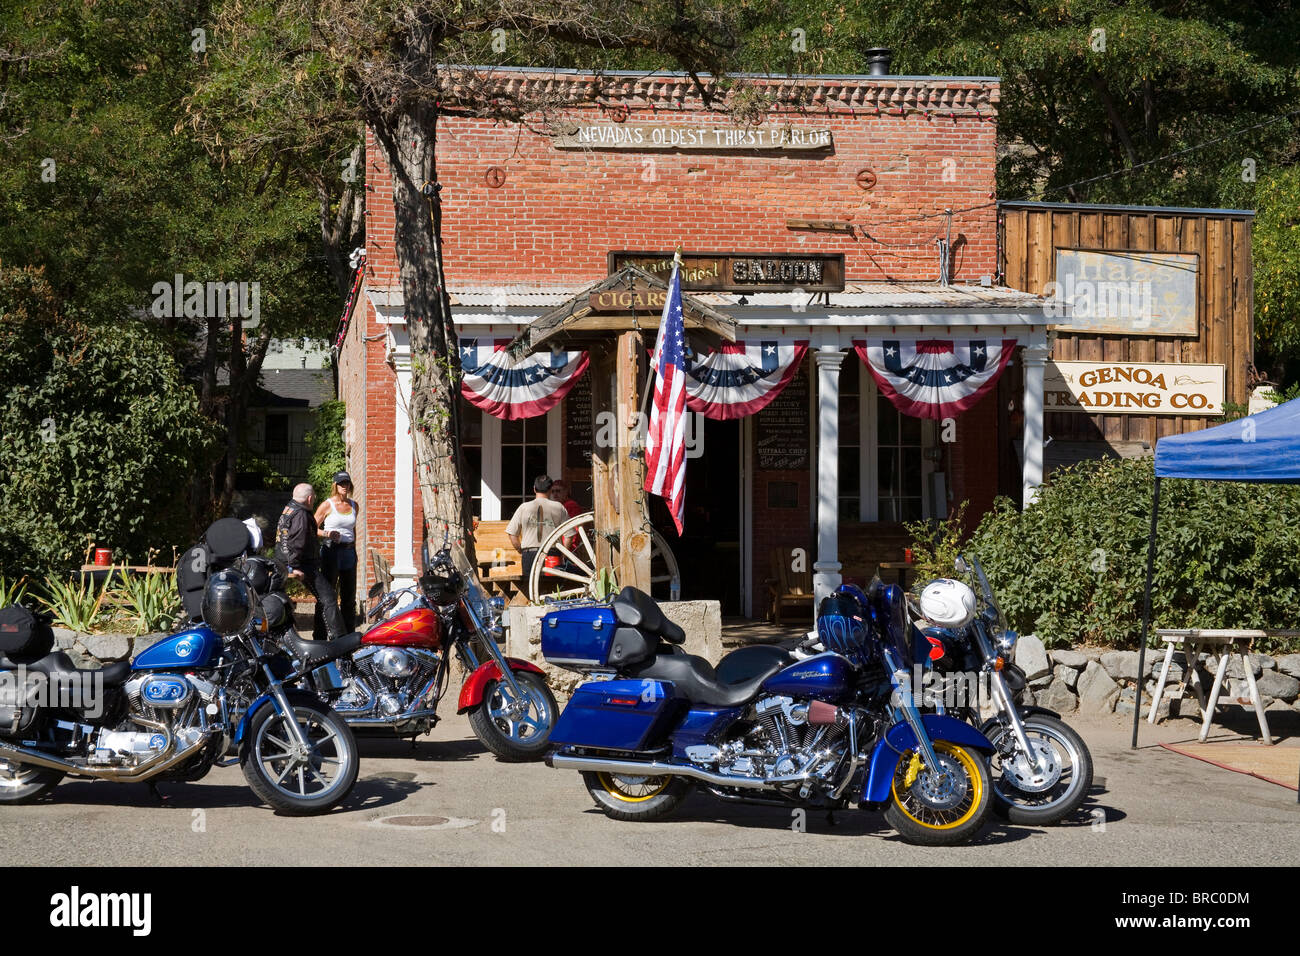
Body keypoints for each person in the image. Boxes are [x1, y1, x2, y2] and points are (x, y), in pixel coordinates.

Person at [274, 482, 345, 640]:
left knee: (324, 598)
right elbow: (297, 542)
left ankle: (320, 637)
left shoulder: (289, 509)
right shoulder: (301, 515)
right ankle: (339, 640)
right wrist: (294, 566)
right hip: (302, 565)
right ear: (310, 498)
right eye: (313, 498)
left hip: (284, 561)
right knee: (329, 598)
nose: (313, 501)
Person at [314, 471, 359, 635]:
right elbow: (311, 528)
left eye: (347, 483)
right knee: (327, 596)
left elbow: (353, 530)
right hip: (331, 551)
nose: (344, 486)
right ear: (335, 485)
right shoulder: (327, 505)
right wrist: (327, 534)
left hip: (349, 552)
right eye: (341, 483)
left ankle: (349, 636)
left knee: (349, 597)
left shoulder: (354, 505)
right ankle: (319, 635)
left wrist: (354, 550)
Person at [506, 475, 569, 582]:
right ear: (550, 490)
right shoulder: (559, 507)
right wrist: (562, 553)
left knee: (530, 589)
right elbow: (569, 534)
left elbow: (512, 534)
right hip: (552, 554)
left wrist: (520, 549)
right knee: (553, 589)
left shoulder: (524, 507)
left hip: (530, 554)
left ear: (534, 489)